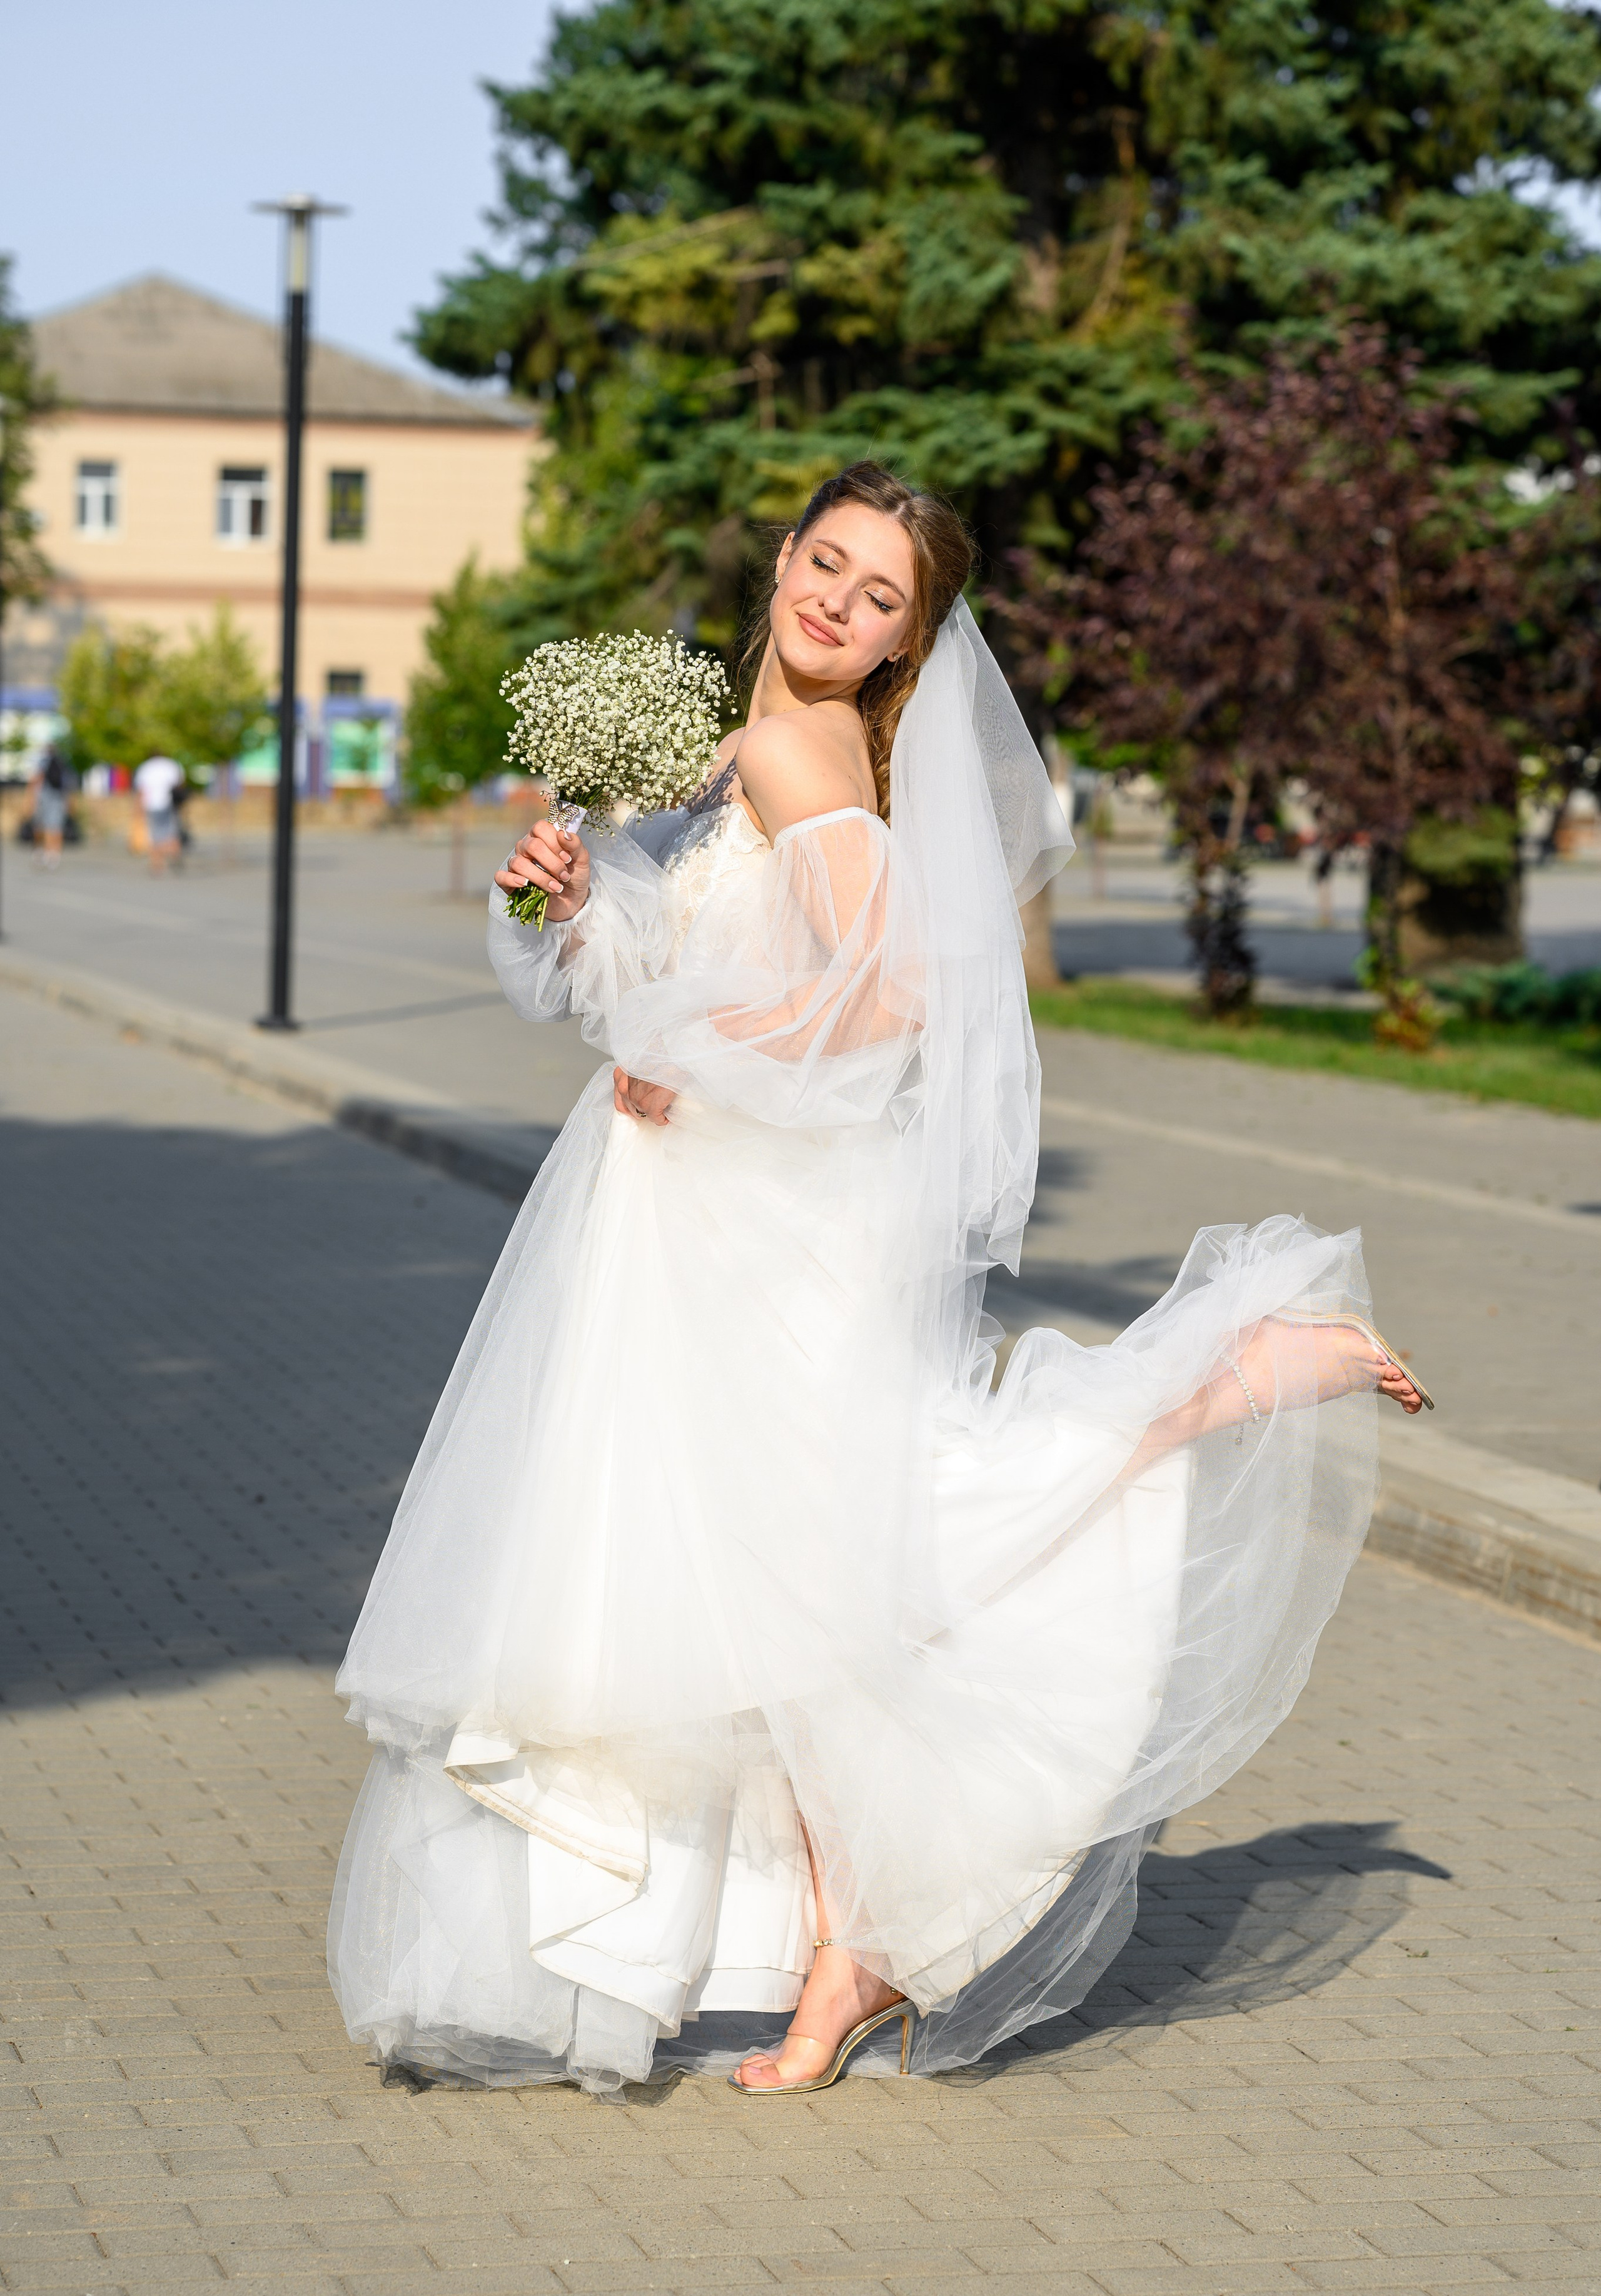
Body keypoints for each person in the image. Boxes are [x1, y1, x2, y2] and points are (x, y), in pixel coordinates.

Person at [328, 461, 1427, 2100]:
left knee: (859, 1571)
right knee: (809, 1598)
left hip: (759, 1217)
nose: (836, 602)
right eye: (825, 565)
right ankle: (842, 1957)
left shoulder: (797, 746)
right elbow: (685, 974)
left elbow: (887, 997)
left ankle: (1236, 1371)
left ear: (911, 639)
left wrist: (690, 1056)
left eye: (880, 595)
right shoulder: (742, 749)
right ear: (782, 554)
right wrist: (564, 905)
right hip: (704, 1210)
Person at [133, 751, 184, 871]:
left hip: (152, 804)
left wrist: (138, 808)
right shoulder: (171, 765)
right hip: (169, 803)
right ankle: (175, 854)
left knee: (155, 835)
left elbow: (141, 791)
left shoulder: (145, 767)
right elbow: (179, 785)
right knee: (172, 832)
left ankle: (157, 864)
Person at [27, 743, 71, 867]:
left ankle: (44, 852)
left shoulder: (43, 762)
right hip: (59, 799)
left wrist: (31, 799)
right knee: (56, 827)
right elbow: (68, 785)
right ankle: (55, 855)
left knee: (44, 826)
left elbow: (37, 780)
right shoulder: (63, 763)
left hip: (45, 798)